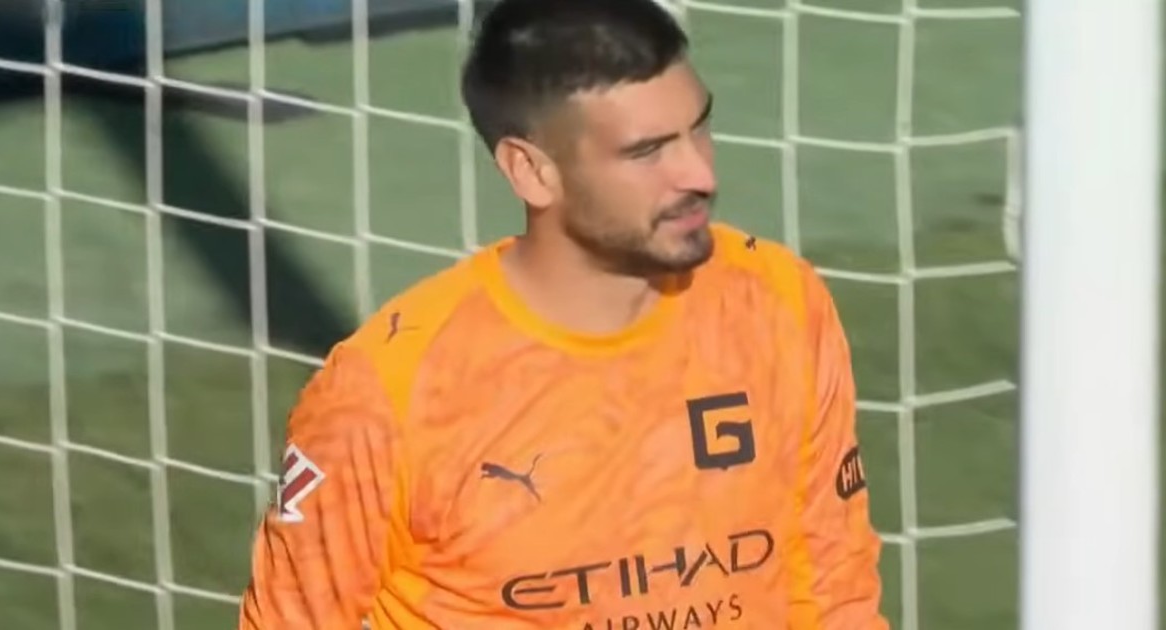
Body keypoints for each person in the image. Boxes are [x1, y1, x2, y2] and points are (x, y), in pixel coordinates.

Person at [238, 0, 890, 627]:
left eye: (699, 128)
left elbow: (834, 584)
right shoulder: (388, 392)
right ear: (531, 171)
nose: (699, 175)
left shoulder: (776, 300)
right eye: (646, 151)